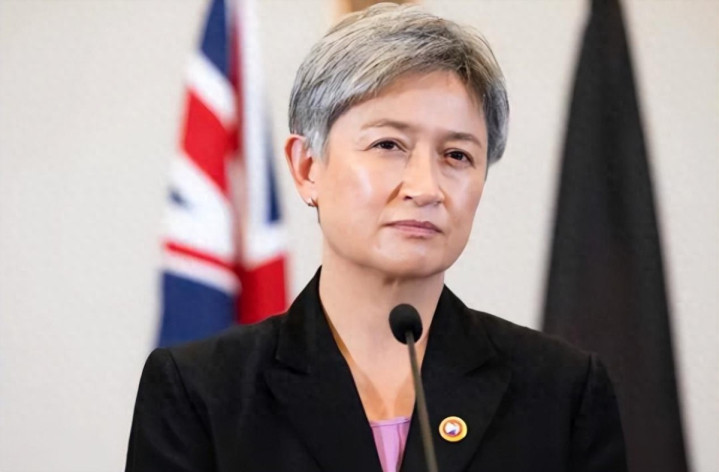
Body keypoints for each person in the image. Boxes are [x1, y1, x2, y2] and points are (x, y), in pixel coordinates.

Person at [126, 4, 626, 471]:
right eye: (388, 145)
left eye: (457, 155)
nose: (425, 188)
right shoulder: (199, 391)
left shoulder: (563, 393)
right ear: (307, 167)